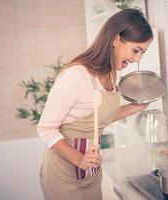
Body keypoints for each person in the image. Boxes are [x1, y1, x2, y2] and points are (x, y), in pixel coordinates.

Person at [37, 9, 153, 200]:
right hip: (63, 173)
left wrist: (136, 107)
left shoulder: (110, 73)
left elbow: (98, 118)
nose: (137, 59)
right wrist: (79, 159)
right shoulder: (77, 76)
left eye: (142, 53)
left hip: (90, 169)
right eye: (136, 50)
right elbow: (46, 128)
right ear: (116, 39)